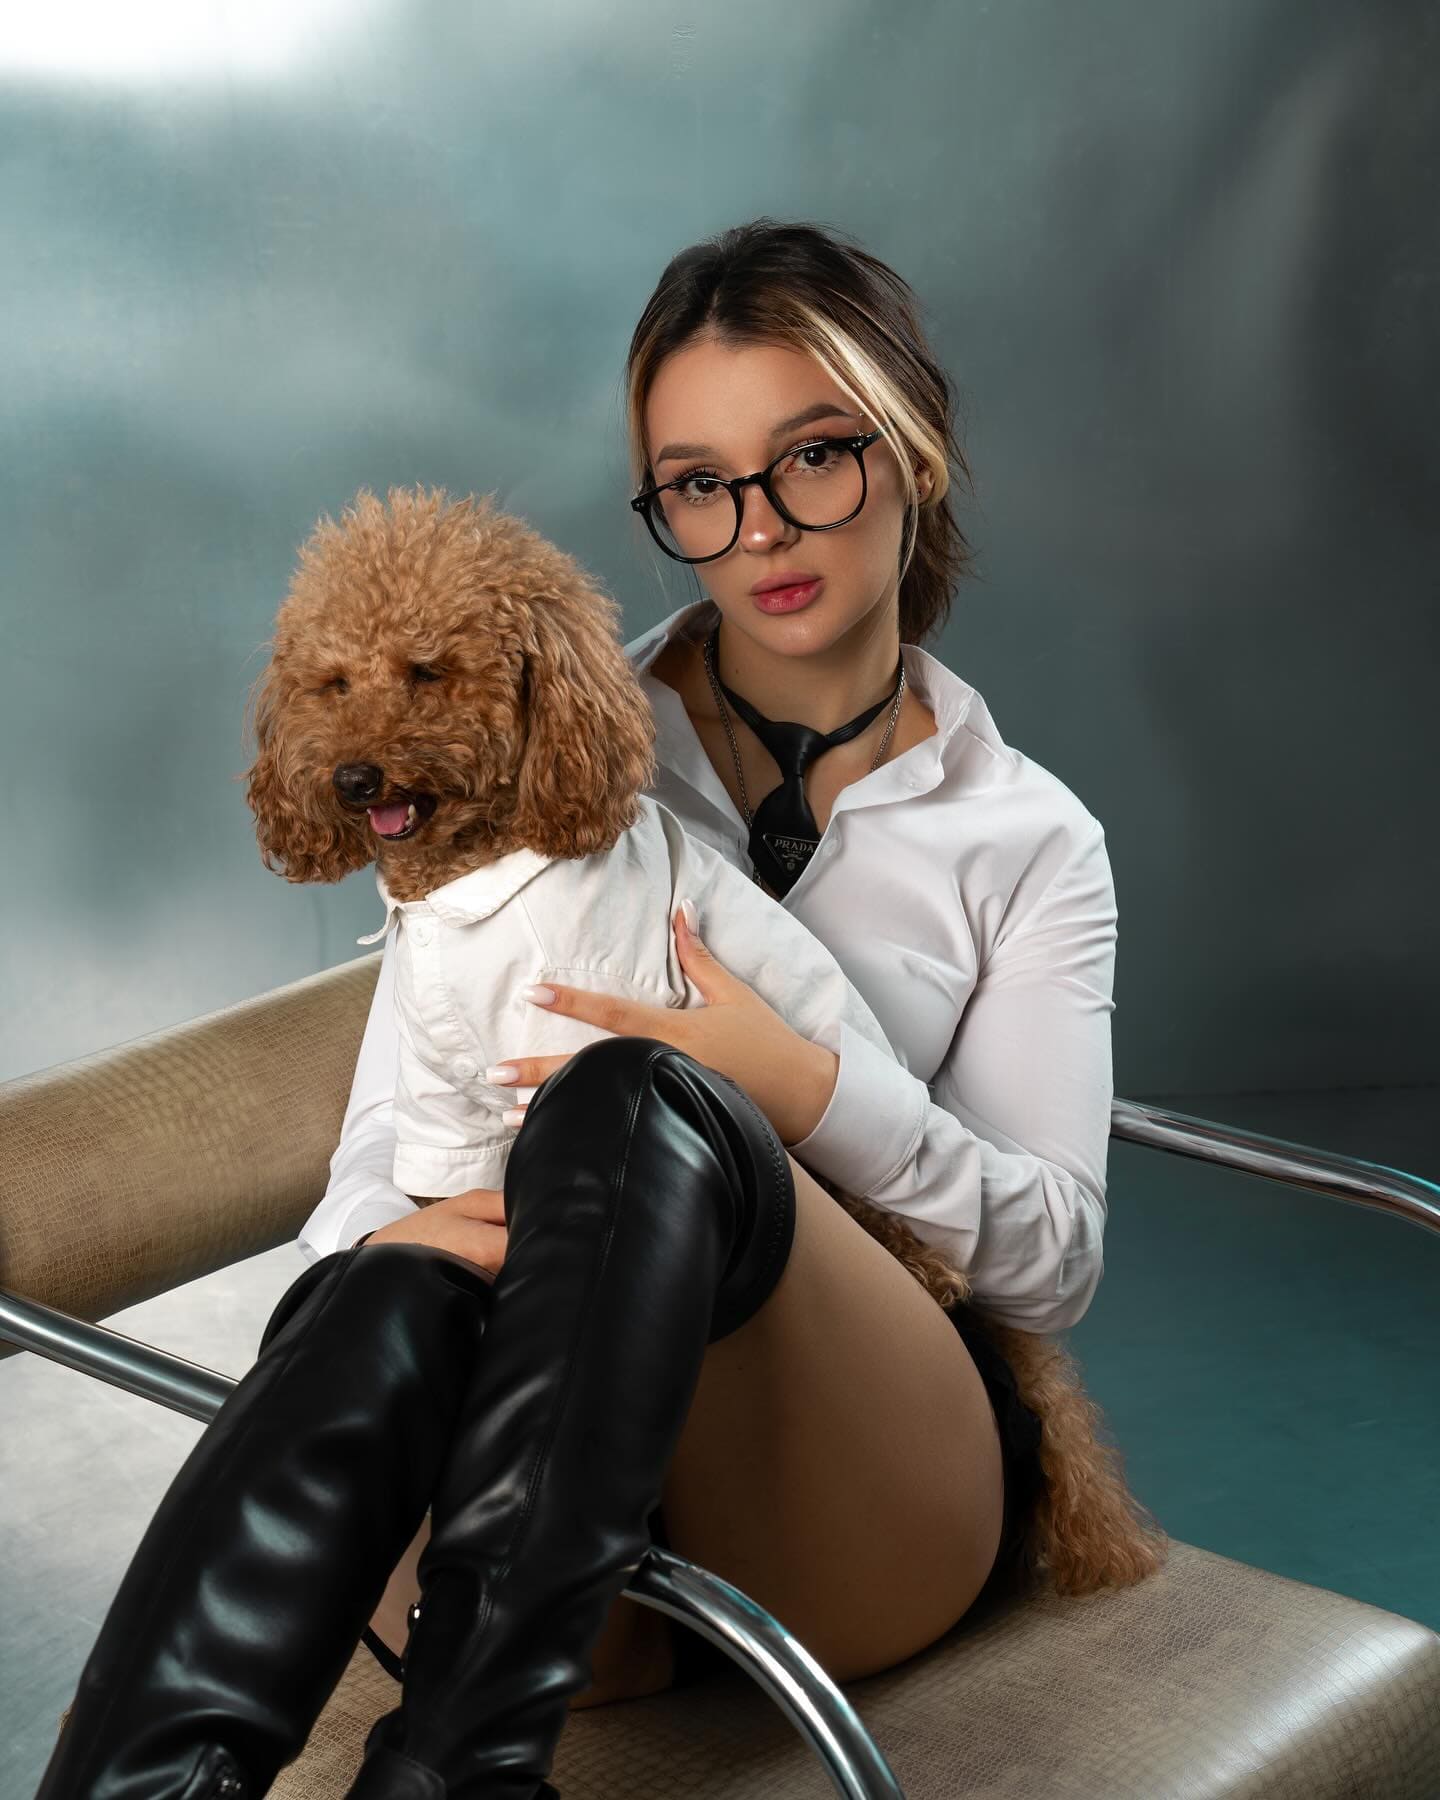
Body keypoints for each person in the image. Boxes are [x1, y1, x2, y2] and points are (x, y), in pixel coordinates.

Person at [38, 218, 1114, 1800]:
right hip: (543, 1518)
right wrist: (385, 1240)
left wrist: (799, 1087)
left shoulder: (1029, 839)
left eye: (814, 456)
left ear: (913, 450)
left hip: (856, 1498)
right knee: (383, 1270)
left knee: (628, 1093)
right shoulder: (505, 705)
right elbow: (405, 1113)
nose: (760, 526)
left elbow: (1055, 1260)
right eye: (699, 484)